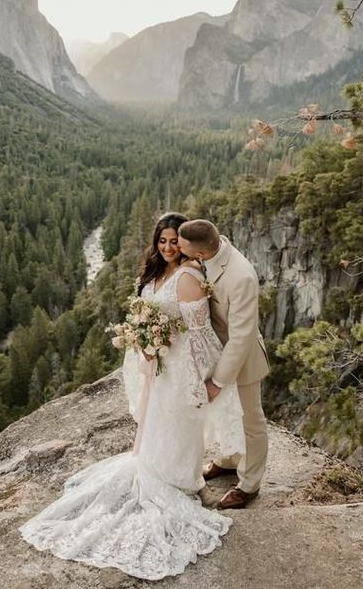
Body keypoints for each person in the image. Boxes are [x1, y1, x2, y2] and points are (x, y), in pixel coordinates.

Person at [18, 212, 245, 581]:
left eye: (175, 241)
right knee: (154, 425)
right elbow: (146, 315)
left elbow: (200, 336)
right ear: (155, 243)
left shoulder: (189, 277)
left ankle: (179, 481)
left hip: (181, 371)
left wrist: (209, 379)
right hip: (157, 368)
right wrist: (144, 342)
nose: (169, 247)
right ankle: (160, 475)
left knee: (176, 425)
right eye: (162, 241)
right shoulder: (154, 276)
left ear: (186, 244)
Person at [177, 218, 270, 510]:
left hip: (242, 358)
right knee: (227, 415)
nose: (179, 253)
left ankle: (249, 485)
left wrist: (218, 382)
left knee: (251, 421)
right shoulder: (211, 254)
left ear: (200, 254)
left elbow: (242, 337)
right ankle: (229, 460)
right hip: (215, 351)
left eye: (183, 249)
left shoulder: (241, 276)